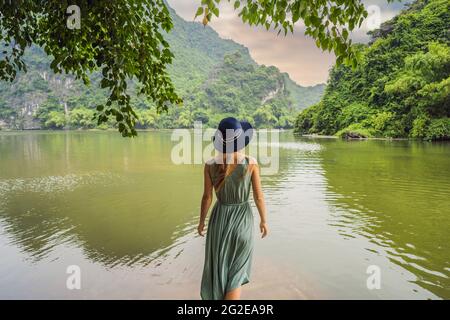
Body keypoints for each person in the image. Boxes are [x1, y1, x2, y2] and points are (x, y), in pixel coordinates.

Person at [198, 117, 268, 300]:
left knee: (219, 268)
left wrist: (201, 222)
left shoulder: (210, 165)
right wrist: (264, 220)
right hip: (242, 222)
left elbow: (207, 197)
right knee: (235, 275)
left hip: (219, 221)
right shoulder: (250, 163)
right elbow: (258, 196)